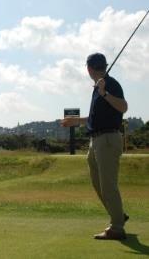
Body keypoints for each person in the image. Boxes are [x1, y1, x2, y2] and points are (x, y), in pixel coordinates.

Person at [61, 53, 128, 240]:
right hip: (97, 139)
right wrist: (74, 121)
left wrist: (104, 93)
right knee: (97, 182)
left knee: (108, 185)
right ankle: (118, 215)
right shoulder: (98, 87)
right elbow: (94, 119)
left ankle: (117, 227)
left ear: (89, 68)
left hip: (107, 139)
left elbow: (123, 107)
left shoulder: (109, 85)